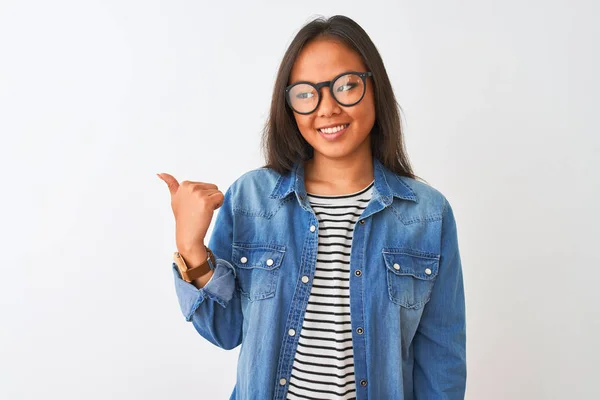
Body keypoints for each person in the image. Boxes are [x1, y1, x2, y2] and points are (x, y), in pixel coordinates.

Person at [158, 15, 466, 400]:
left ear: (375, 88)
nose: (327, 108)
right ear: (289, 106)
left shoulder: (428, 214)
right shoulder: (251, 200)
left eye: (346, 86)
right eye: (306, 93)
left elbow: (442, 363)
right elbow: (225, 330)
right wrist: (191, 248)